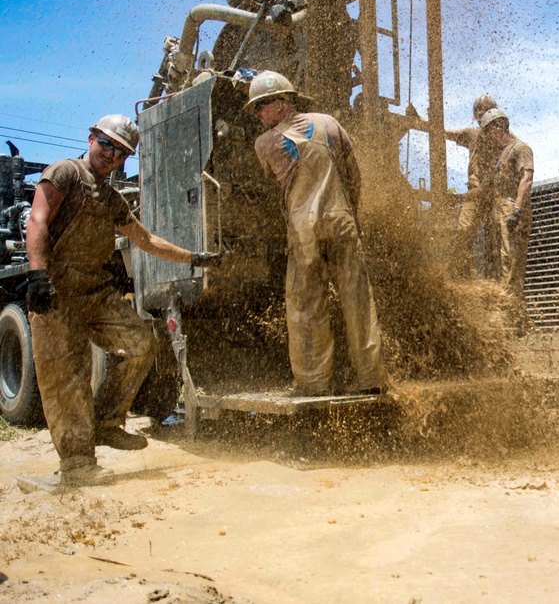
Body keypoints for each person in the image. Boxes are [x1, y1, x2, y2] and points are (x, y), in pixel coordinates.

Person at [26, 114, 222, 487]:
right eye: (107, 145)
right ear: (91, 138)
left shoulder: (113, 199)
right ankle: (78, 463)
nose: (112, 155)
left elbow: (145, 240)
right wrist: (38, 276)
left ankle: (107, 420)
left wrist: (193, 258)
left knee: (141, 343)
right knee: (68, 380)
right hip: (56, 293)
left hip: (94, 292)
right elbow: (37, 218)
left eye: (121, 153)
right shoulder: (65, 172)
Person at [245, 70, 386, 398]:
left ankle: (313, 383)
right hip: (342, 223)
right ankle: (371, 378)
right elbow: (354, 175)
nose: (257, 115)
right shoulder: (330, 123)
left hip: (304, 231)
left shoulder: (264, 144)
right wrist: (352, 215)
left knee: (305, 305)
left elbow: (277, 182)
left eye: (261, 107)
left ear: (281, 103)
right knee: (358, 301)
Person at [481, 108, 533, 302]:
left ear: (498, 127)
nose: (487, 136)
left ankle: (510, 308)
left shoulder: (521, 148)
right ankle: (510, 307)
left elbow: (526, 179)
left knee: (510, 259)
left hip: (512, 210)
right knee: (500, 260)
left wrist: (517, 210)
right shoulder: (501, 155)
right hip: (500, 210)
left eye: (488, 131)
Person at [448, 94, 500, 277]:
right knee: (464, 232)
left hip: (494, 194)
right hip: (476, 193)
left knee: (495, 236)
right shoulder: (473, 135)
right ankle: (463, 273)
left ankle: (494, 278)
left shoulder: (504, 138)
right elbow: (447, 132)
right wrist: (420, 120)